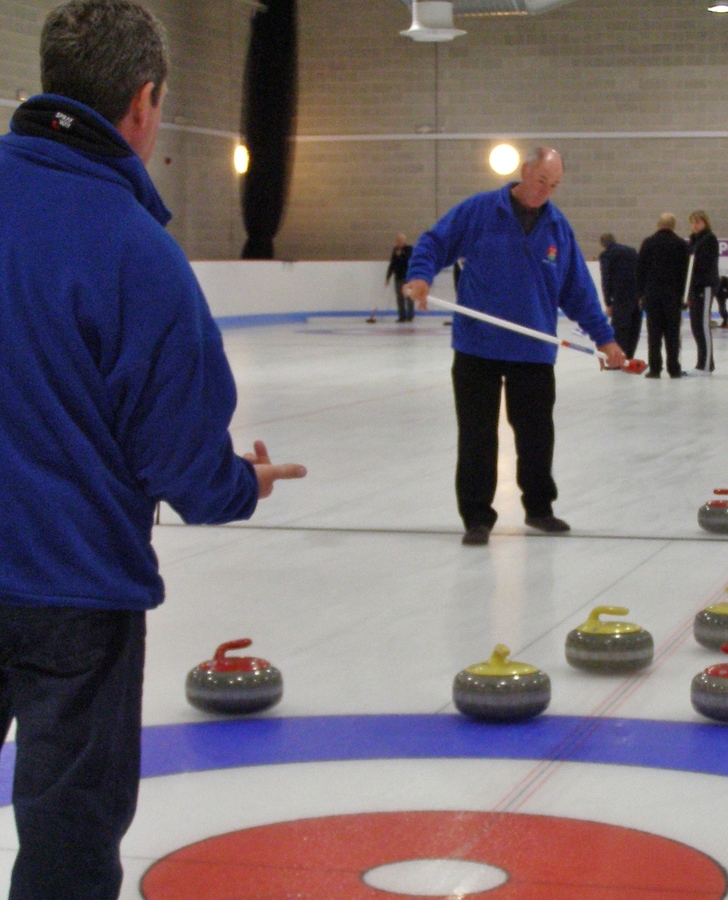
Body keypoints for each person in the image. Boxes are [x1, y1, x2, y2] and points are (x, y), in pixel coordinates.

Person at [0, 3, 307, 898]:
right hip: (72, 593)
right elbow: (181, 458)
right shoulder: (135, 251)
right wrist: (239, 483)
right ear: (142, 102)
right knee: (67, 828)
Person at [403, 147, 625, 546]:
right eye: (541, 180)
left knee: (537, 435)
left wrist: (605, 340)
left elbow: (578, 291)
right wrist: (420, 277)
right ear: (525, 171)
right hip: (477, 346)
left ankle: (540, 509)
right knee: (476, 436)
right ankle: (476, 516)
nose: (545, 191)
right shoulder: (480, 211)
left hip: (533, 350)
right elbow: (434, 242)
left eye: (554, 185)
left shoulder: (557, 227)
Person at [637, 213, 690, 379]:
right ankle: (674, 368)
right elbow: (686, 273)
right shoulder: (681, 245)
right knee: (673, 334)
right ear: (673, 226)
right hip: (673, 296)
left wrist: (641, 294)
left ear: (658, 225)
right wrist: (685, 296)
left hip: (652, 296)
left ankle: (654, 369)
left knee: (654, 334)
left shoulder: (648, 243)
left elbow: (640, 271)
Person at [598, 233, 641, 359]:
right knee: (634, 326)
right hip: (635, 293)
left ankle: (619, 358)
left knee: (619, 328)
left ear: (603, 244)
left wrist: (608, 302)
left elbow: (606, 279)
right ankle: (630, 355)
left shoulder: (606, 255)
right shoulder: (631, 251)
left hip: (620, 295)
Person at [688, 210, 720, 372]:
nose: (694, 226)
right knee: (695, 325)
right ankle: (701, 362)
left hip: (705, 285)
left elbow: (703, 264)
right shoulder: (693, 240)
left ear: (705, 223)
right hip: (694, 287)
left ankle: (707, 363)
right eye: (692, 222)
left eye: (698, 222)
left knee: (702, 324)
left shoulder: (709, 239)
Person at [385, 233, 414, 322]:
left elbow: (408, 259)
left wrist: (400, 254)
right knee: (399, 297)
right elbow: (392, 264)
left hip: (408, 277)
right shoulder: (395, 250)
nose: (399, 242)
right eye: (398, 240)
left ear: (404, 241)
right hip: (398, 277)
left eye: (401, 240)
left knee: (409, 297)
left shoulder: (409, 249)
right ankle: (402, 316)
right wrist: (388, 277)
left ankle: (410, 316)